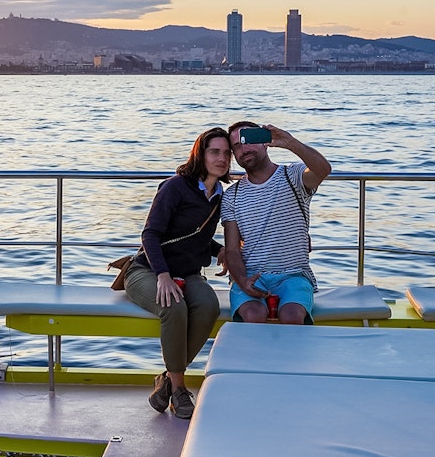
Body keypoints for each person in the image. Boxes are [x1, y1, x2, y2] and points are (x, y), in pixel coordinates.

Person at [123, 127, 230, 419]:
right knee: (174, 306)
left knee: (209, 306)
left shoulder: (220, 195)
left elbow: (195, 237)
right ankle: (180, 389)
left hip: (188, 272)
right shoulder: (175, 187)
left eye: (226, 153)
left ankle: (166, 380)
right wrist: (163, 275)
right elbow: (151, 234)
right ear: (201, 154)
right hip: (147, 270)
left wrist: (219, 249)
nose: (221, 159)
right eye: (214, 152)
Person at [218, 122, 331, 325]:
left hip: (293, 275)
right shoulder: (231, 196)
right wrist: (242, 281)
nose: (244, 149)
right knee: (253, 315)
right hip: (252, 275)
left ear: (265, 142)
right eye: (236, 146)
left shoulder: (293, 176)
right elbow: (232, 250)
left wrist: (289, 142)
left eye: (249, 140)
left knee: (292, 316)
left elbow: (323, 170)